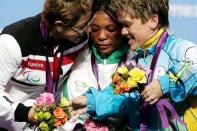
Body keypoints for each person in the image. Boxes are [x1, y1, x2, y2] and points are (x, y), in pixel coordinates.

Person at [70, 0, 197, 130]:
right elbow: (121, 94)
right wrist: (91, 101)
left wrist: (165, 84)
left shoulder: (179, 49)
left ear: (153, 21)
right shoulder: (136, 62)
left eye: (127, 24)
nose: (123, 32)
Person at [0, 0, 93, 130]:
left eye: (89, 22)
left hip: (43, 123)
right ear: (59, 25)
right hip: (9, 121)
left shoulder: (79, 39)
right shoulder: (12, 41)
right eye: (82, 26)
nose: (88, 30)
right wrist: (25, 113)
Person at [61, 0, 129, 130]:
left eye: (111, 29)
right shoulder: (75, 54)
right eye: (94, 29)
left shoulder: (136, 61)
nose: (102, 36)